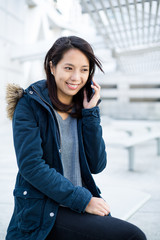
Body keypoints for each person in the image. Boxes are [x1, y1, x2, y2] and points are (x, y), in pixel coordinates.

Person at [5, 36, 147, 240]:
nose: (76, 77)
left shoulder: (83, 106)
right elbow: (31, 166)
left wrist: (91, 114)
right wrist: (85, 201)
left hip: (77, 206)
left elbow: (97, 165)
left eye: (84, 69)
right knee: (132, 236)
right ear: (52, 67)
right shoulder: (29, 105)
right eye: (69, 68)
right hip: (44, 211)